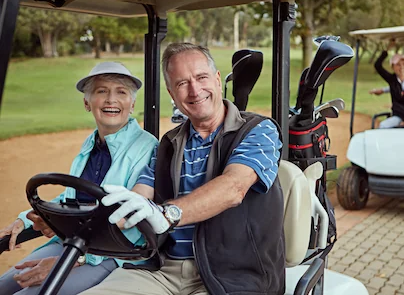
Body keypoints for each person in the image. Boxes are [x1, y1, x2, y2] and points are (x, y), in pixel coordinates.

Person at [80, 43, 285, 295]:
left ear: (217, 80)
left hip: (232, 275)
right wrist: (79, 236)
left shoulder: (258, 130)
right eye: (181, 83)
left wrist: (167, 214)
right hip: (162, 271)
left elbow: (234, 187)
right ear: (172, 93)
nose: (194, 90)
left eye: (201, 77)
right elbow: (138, 197)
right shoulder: (169, 144)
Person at [0, 62, 158, 295]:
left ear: (132, 103)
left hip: (113, 253)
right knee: (4, 285)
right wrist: (25, 219)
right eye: (101, 91)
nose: (110, 100)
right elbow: (73, 196)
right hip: (74, 243)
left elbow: (132, 217)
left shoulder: (147, 147)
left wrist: (77, 258)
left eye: (121, 92)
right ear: (87, 102)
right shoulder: (92, 143)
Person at [370, 41, 404, 128]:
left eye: (403, 64)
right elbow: (377, 65)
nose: (402, 67)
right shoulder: (392, 80)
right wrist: (387, 49)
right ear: (393, 67)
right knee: (383, 126)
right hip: (398, 116)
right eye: (398, 65)